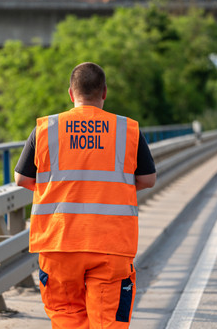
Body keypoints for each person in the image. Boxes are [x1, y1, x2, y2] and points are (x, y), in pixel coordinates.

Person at [15, 62, 156, 328]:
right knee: (107, 322)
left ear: (71, 93)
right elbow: (147, 179)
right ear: (104, 92)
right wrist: (113, 189)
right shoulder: (127, 129)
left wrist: (59, 190)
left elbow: (22, 179)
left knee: (68, 319)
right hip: (110, 244)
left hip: (59, 242)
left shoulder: (46, 129)